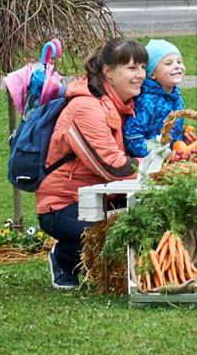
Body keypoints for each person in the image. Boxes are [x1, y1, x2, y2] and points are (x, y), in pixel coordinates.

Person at [36, 38, 147, 289]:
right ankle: (65, 257)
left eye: (142, 67)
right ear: (107, 72)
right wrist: (154, 164)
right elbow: (111, 167)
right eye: (131, 68)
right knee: (119, 233)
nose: (140, 74)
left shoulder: (120, 105)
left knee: (146, 222)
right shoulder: (86, 108)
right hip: (63, 204)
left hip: (99, 198)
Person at [124, 39, 188, 157]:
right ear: (152, 74)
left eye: (179, 62)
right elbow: (132, 136)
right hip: (151, 164)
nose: (177, 66)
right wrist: (157, 153)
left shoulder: (176, 96)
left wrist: (183, 140)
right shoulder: (146, 101)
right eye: (169, 63)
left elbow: (172, 129)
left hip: (172, 161)